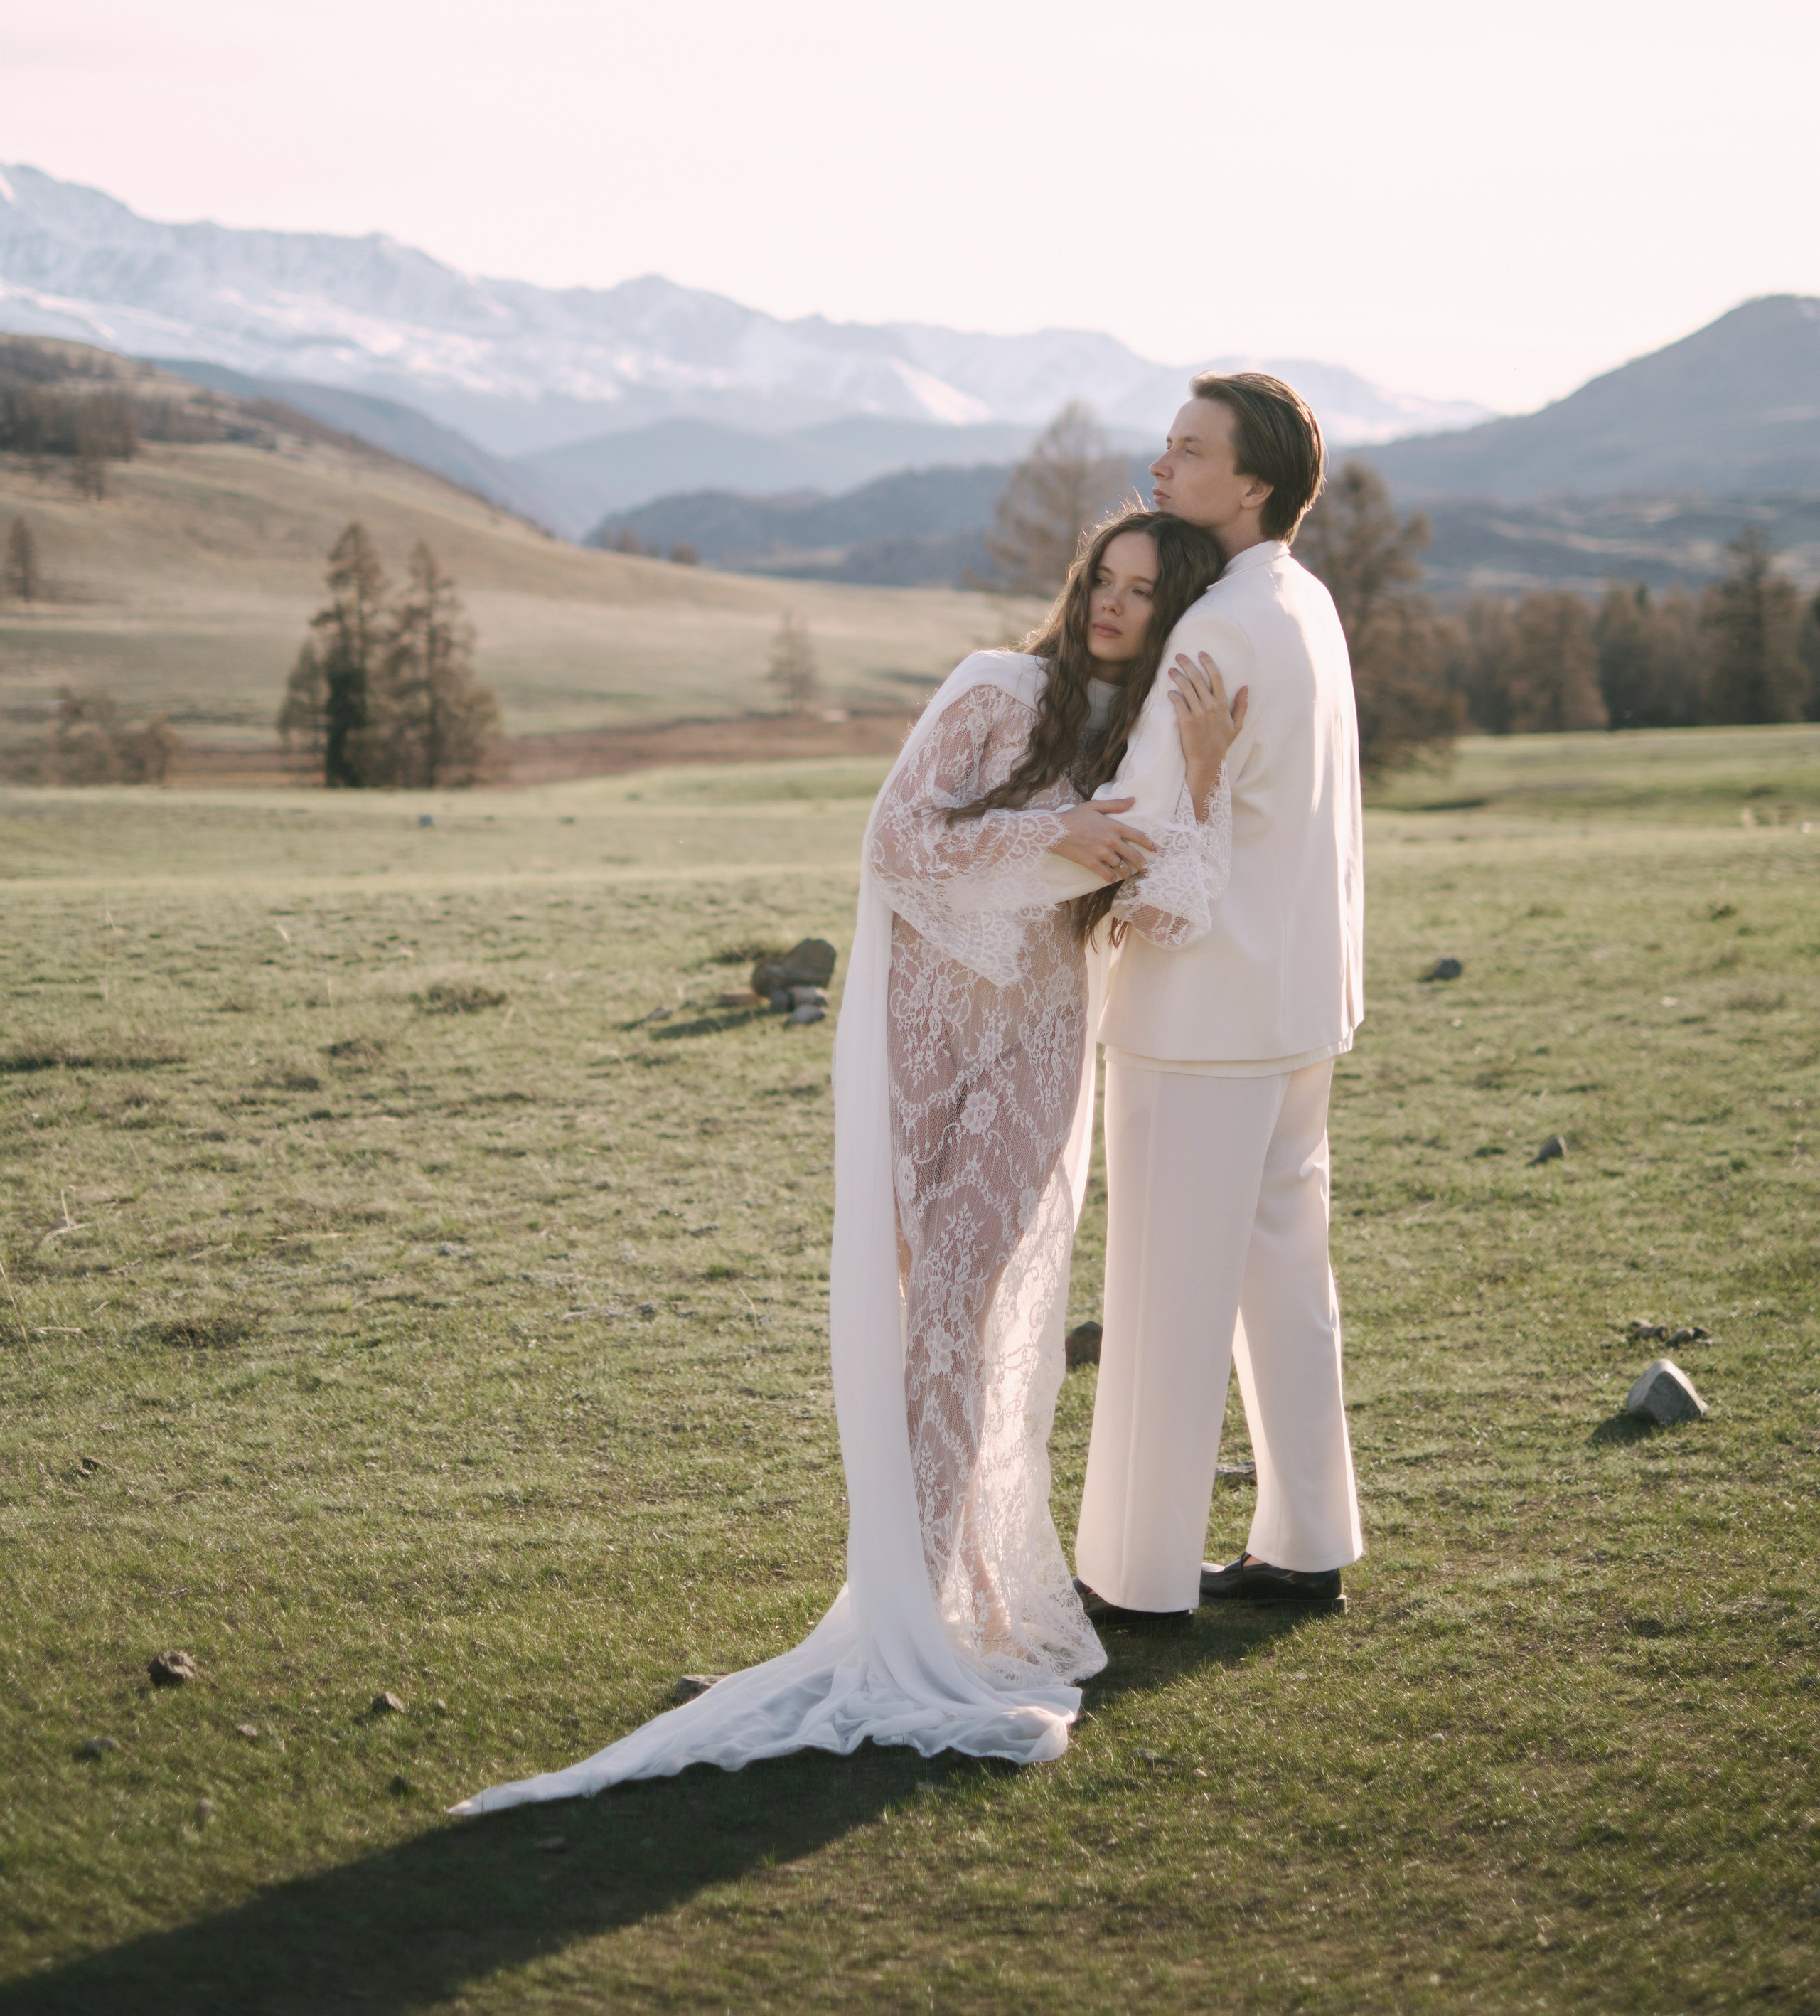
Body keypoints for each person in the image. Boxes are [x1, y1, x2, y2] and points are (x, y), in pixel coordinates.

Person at [453, 508, 1243, 1814]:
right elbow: (897, 843)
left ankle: (934, 1607)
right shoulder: (997, 691)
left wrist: (1201, 779)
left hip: (1038, 1044)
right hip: (921, 1036)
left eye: (1144, 592)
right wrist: (1052, 838)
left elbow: (1166, 913)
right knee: (923, 1311)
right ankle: (935, 1591)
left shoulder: (1152, 740)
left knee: (963, 1303)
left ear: (1177, 611)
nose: (1113, 605)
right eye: (1102, 579)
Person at [1041, 373, 1366, 1622]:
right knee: (1284, 1277)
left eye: (1189, 451)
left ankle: (1137, 1578)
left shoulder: (1213, 630)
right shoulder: (1305, 602)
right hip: (1299, 1000)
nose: (1161, 467)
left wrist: (989, 847)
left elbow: (1135, 827)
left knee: (1162, 1296)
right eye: (1166, 446)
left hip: (1200, 1011)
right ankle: (1306, 1542)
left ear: (1254, 484)